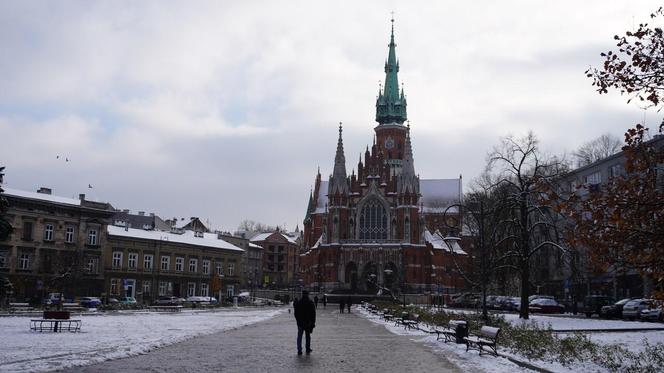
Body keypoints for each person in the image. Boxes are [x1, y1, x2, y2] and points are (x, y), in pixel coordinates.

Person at [294, 290, 316, 355]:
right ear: (307, 294)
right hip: (308, 323)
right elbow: (313, 314)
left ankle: (299, 350)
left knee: (299, 336)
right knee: (308, 336)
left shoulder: (299, 302)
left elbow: (296, 313)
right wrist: (313, 322)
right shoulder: (310, 302)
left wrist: (298, 321)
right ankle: (307, 348)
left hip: (300, 323)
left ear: (302, 294)